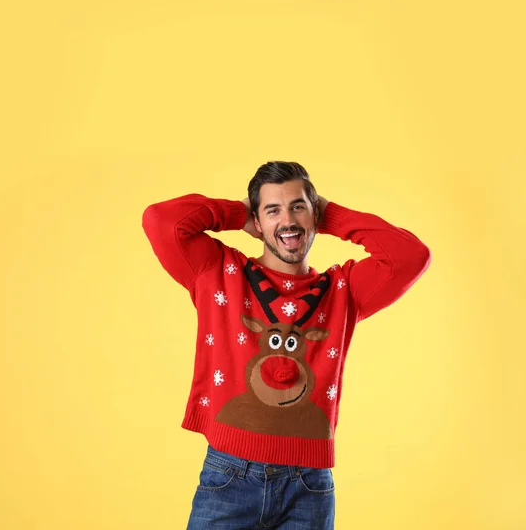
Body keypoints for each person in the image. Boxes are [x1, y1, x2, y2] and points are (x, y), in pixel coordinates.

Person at [142, 161, 431, 529]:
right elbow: (160, 220)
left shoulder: (343, 290)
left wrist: (334, 216)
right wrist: (235, 213)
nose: (288, 221)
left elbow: (411, 256)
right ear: (257, 222)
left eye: (298, 207)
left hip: (309, 487)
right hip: (229, 477)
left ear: (315, 215)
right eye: (273, 210)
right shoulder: (217, 272)